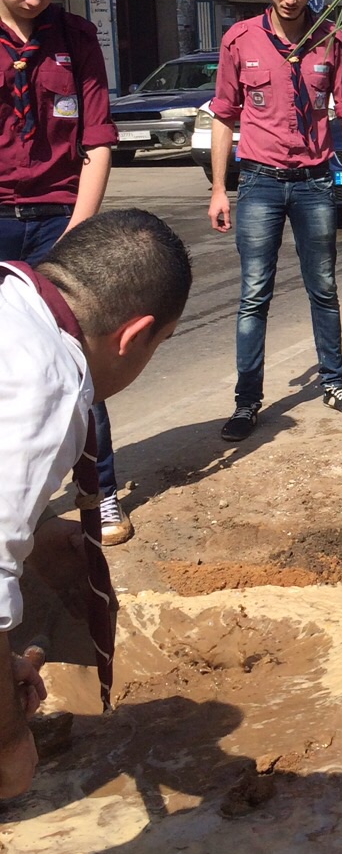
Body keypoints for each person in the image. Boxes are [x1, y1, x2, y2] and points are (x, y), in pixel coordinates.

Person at [0, 209, 191, 798]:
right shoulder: (45, 386)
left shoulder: (12, 299)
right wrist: (7, 741)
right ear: (133, 337)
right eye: (159, 346)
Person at [0, 0, 132, 546]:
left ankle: (99, 492)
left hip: (59, 216)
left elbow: (98, 142)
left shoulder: (75, 37)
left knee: (79, 362)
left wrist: (78, 231)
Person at [208, 0, 342, 441]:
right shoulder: (240, 39)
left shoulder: (331, 41)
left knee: (323, 287)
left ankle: (335, 383)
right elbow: (223, 115)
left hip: (314, 182)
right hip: (259, 182)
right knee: (254, 294)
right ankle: (246, 402)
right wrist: (219, 189)